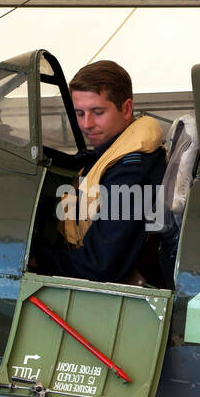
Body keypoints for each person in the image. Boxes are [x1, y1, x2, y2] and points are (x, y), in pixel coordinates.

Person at [33, 60, 166, 284]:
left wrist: (38, 260)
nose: (87, 124)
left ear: (126, 109)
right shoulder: (110, 153)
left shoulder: (131, 172)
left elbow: (98, 266)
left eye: (97, 112)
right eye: (79, 113)